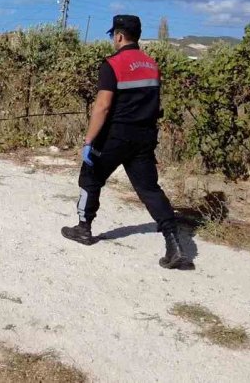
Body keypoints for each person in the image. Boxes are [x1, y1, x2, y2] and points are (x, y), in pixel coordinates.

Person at [61, 14, 192, 269]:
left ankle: (83, 228)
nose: (113, 39)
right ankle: (174, 243)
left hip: (114, 136)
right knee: (149, 189)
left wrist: (89, 140)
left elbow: (103, 106)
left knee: (90, 177)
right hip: (144, 137)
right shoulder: (152, 65)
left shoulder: (112, 64)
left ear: (119, 36)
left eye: (113, 35)